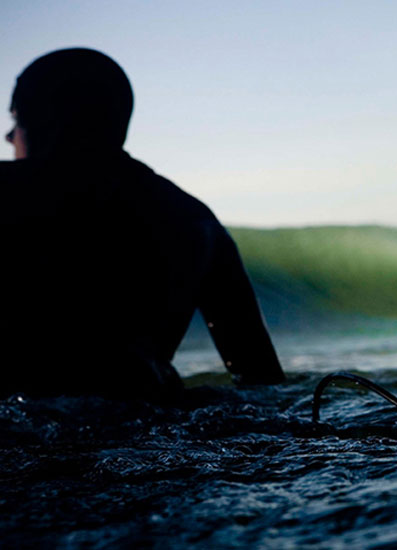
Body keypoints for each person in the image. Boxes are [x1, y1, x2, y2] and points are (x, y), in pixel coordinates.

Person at [0, 48, 285, 401]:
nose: (9, 137)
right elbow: (264, 385)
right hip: (148, 423)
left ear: (45, 121)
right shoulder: (198, 222)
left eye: (15, 120)